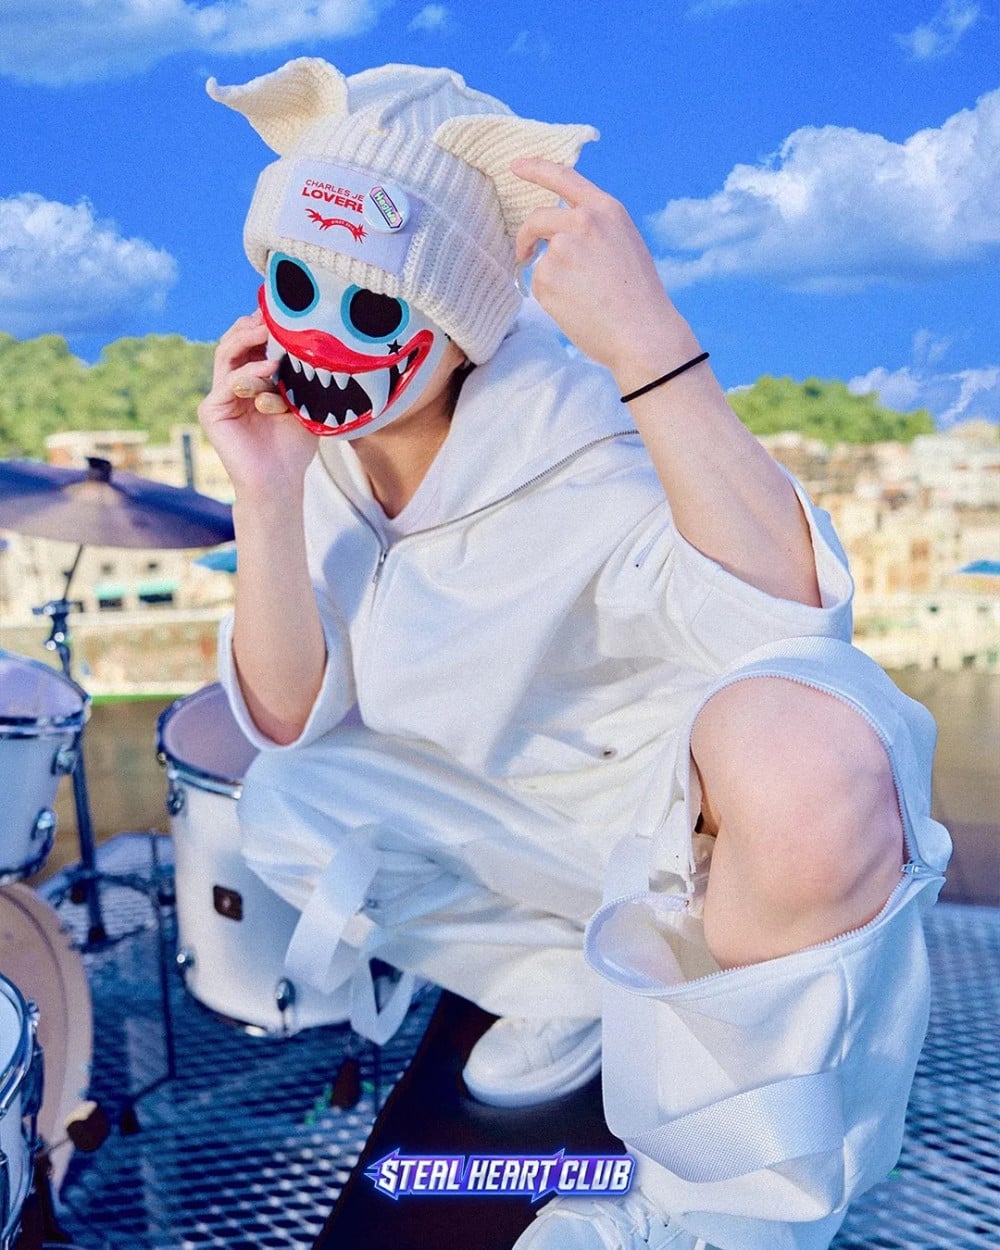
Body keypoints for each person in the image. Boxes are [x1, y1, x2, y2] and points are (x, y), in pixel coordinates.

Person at [197, 58, 951, 1250]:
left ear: (462, 326)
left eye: (377, 308)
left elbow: (795, 634)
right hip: (509, 834)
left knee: (810, 753)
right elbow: (289, 718)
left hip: (661, 843)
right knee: (288, 797)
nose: (328, 332)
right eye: (297, 283)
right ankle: (576, 981)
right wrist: (268, 494)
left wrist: (650, 343)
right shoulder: (316, 455)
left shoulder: (581, 450)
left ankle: (730, 1212)